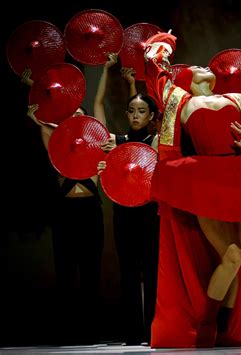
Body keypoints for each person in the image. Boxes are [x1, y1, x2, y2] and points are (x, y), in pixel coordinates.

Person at [143, 31, 241, 347]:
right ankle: (207, 324)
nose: (204, 67)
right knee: (231, 255)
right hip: (206, 182)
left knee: (240, 260)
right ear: (186, 79)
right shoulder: (180, 99)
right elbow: (153, 63)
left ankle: (226, 330)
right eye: (195, 67)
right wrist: (167, 40)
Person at [24, 67, 104, 344]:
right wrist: (32, 88)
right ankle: (70, 330)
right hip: (66, 215)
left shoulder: (97, 148)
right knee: (67, 270)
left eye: (82, 116)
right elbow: (44, 122)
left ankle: (91, 330)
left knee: (91, 269)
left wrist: (107, 68)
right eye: (73, 116)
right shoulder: (57, 148)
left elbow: (99, 104)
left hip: (90, 214)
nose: (78, 119)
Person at [94, 53, 160, 345]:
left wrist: (137, 84)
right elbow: (96, 111)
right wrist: (101, 168)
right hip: (123, 212)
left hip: (149, 213)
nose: (135, 115)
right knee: (129, 271)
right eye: (131, 110)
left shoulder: (155, 141)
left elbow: (146, 153)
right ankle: (133, 333)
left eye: (141, 111)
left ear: (151, 117)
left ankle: (153, 330)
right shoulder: (115, 141)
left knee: (152, 270)